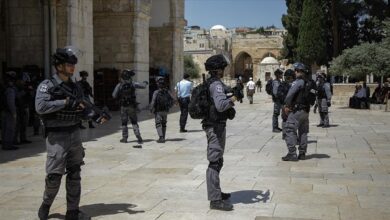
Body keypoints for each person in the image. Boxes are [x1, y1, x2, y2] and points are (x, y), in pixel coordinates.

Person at [36, 47, 108, 219]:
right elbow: (41, 107)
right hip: (57, 137)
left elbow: (82, 109)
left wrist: (95, 116)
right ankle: (46, 204)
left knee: (75, 174)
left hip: (74, 134)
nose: (72, 68)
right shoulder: (47, 86)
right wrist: (65, 102)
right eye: (69, 65)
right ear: (59, 66)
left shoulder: (75, 87)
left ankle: (73, 211)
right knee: (54, 176)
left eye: (73, 65)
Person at [202, 54, 237, 211]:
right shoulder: (215, 84)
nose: (224, 70)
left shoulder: (215, 83)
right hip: (214, 127)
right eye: (222, 68)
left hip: (217, 125)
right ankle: (215, 200)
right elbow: (221, 105)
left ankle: (216, 191)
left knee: (218, 160)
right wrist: (234, 98)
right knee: (214, 162)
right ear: (217, 69)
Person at [282, 62, 313, 161]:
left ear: (298, 71)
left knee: (289, 129)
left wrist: (286, 105)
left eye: (295, 71)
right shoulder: (308, 81)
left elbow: (290, 94)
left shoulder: (298, 82)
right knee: (303, 132)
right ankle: (302, 153)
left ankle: (292, 153)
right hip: (306, 110)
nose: (294, 73)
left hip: (297, 110)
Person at [112, 69, 148, 144]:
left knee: (124, 123)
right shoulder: (133, 83)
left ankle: (125, 138)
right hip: (132, 106)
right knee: (134, 122)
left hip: (123, 107)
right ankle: (138, 137)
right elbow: (143, 86)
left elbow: (114, 95)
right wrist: (145, 82)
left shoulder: (119, 85)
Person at [150, 77, 175, 143]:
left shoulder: (156, 92)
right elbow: (174, 99)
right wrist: (170, 106)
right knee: (164, 124)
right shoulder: (168, 91)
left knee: (158, 124)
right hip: (165, 110)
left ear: (158, 84)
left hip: (158, 111)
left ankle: (161, 138)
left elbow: (153, 101)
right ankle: (163, 137)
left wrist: (151, 109)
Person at [1, 71, 18, 150]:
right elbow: (11, 102)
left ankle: (5, 144)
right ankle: (8, 145)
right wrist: (14, 113)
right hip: (9, 112)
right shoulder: (10, 89)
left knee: (4, 129)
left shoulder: (3, 87)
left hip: (4, 111)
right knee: (9, 129)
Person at [281, 69, 295, 140]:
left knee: (285, 119)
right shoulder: (295, 85)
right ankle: (291, 134)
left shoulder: (283, 84)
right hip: (291, 105)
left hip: (285, 105)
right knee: (291, 120)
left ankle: (285, 134)